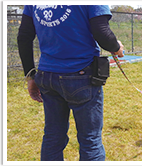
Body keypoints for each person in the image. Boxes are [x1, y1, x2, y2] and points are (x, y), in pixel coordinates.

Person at [17, 5, 124, 161]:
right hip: (81, 75)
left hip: (47, 76)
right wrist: (117, 48)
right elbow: (102, 33)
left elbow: (24, 36)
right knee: (90, 140)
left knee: (53, 137)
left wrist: (30, 76)